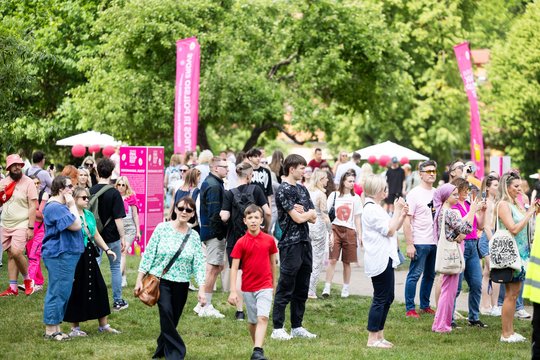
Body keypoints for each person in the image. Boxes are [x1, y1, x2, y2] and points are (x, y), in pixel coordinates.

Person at [135, 197, 206, 359]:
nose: (184, 212)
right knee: (166, 312)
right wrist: (139, 279)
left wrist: (202, 289)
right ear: (175, 209)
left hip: (182, 283)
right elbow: (149, 255)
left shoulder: (194, 236)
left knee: (172, 320)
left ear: (193, 214)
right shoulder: (162, 228)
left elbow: (199, 265)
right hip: (161, 280)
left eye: (188, 210)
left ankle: (161, 349)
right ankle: (177, 352)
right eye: (181, 208)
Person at [271, 154, 317, 340]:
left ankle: (297, 326)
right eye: (301, 168)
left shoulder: (303, 190)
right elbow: (298, 218)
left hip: (305, 241)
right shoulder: (283, 190)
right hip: (290, 243)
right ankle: (277, 328)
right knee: (286, 284)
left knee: (302, 286)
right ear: (291, 169)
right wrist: (305, 213)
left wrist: (305, 212)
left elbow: (314, 217)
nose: (304, 171)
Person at [64, 187, 120, 336]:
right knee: (77, 289)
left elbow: (95, 235)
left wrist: (107, 250)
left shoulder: (89, 214)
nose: (87, 200)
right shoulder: (69, 215)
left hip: (89, 253)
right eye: (84, 198)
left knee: (100, 288)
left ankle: (103, 325)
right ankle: (74, 328)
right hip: (76, 255)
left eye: (88, 197)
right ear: (74, 199)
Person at [220, 162, 271, 320]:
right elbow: (268, 212)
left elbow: (224, 216)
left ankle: (240, 311)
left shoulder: (229, 193)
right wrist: (265, 228)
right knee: (254, 272)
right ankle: (255, 307)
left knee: (238, 272)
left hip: (235, 239)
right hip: (254, 238)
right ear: (250, 175)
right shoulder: (256, 190)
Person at [362, 175, 408, 348]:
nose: (386, 192)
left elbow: (393, 226)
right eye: (384, 189)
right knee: (381, 298)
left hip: (385, 257)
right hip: (378, 258)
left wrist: (401, 215)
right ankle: (372, 338)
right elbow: (389, 230)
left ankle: (379, 335)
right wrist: (397, 210)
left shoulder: (376, 208)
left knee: (388, 297)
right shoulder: (371, 209)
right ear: (377, 191)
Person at [228, 205, 278, 360]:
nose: (253, 221)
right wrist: (233, 291)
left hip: (265, 286)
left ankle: (257, 350)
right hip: (248, 287)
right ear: (245, 221)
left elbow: (273, 264)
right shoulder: (241, 242)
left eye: (257, 217)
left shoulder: (269, 240)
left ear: (262, 220)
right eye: (250, 218)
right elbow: (234, 268)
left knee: (263, 317)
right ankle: (257, 349)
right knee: (252, 321)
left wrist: (274, 283)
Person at [42, 176, 83, 340]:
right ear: (61, 189)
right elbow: (76, 225)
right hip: (59, 254)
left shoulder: (60, 206)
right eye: (70, 186)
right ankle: (51, 331)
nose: (72, 189)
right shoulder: (54, 207)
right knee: (57, 291)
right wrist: (73, 205)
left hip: (65, 254)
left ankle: (56, 327)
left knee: (63, 291)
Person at [496, 172, 536, 342]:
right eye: (516, 187)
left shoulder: (515, 203)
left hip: (521, 254)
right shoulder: (503, 204)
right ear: (507, 187)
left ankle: (511, 332)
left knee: (515, 293)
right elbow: (513, 228)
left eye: (520, 186)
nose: (520, 190)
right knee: (510, 294)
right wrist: (529, 213)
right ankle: (505, 334)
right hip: (511, 254)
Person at [431, 183, 477, 333]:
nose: (457, 197)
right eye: (454, 194)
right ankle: (442, 325)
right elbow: (466, 229)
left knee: (447, 290)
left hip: (447, 253)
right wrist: (472, 211)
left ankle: (439, 323)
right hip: (452, 255)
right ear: (445, 197)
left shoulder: (441, 212)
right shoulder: (450, 213)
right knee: (448, 292)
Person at [89, 158, 128, 311]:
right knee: (115, 267)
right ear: (112, 173)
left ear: (97, 171)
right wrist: (123, 237)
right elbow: (118, 218)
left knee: (94, 267)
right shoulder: (114, 193)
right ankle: (118, 301)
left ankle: (91, 299)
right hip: (112, 236)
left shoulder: (90, 191)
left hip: (94, 235)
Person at [194, 157, 228, 318]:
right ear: (215, 168)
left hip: (209, 232)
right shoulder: (214, 186)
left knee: (215, 267)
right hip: (213, 233)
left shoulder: (212, 182)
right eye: (224, 167)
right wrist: (220, 234)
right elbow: (215, 214)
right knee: (213, 268)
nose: (227, 169)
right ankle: (205, 304)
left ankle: (201, 303)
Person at [451, 178, 487, 328]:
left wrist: (482, 212)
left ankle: (474, 317)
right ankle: (449, 316)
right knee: (456, 286)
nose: (466, 193)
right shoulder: (454, 207)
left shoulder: (467, 204)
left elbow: (480, 225)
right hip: (461, 245)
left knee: (477, 283)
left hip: (473, 244)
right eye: (464, 190)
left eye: (467, 190)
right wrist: (473, 211)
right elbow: (460, 226)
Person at [0, 154, 38, 297]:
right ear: (9, 167)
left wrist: (30, 227)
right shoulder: (3, 182)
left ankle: (28, 280)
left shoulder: (28, 182)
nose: (16, 167)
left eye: (18, 165)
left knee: (17, 252)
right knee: (10, 255)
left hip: (22, 223)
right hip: (5, 223)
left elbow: (32, 206)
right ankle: (13, 287)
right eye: (13, 165)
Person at [404, 160, 437, 318]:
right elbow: (406, 220)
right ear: (420, 174)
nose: (432, 174)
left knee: (430, 275)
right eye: (429, 171)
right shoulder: (414, 194)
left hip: (434, 241)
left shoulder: (437, 193)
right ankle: (410, 308)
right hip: (420, 241)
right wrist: (410, 244)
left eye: (434, 171)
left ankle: (425, 305)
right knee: (414, 275)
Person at [322, 170, 362, 299]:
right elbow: (326, 214)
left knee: (347, 261)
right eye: (349, 181)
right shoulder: (334, 195)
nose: (352, 184)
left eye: (353, 181)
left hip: (350, 230)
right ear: (343, 182)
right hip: (335, 229)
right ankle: (327, 286)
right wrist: (329, 232)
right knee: (332, 259)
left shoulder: (355, 198)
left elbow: (357, 218)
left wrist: (360, 235)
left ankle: (345, 287)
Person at [478, 174, 501, 316]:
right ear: (487, 187)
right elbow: (486, 226)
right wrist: (494, 241)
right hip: (488, 239)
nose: (497, 188)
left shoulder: (497, 202)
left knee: (486, 273)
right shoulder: (485, 202)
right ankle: (493, 306)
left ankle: (486, 306)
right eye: (495, 186)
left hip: (493, 236)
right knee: (495, 273)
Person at [306, 169, 331, 299]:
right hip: (318, 227)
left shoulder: (307, 190)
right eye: (325, 178)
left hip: (307, 225)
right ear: (320, 180)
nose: (327, 180)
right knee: (317, 259)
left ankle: (303, 286)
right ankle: (311, 290)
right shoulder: (321, 194)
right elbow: (325, 215)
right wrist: (330, 232)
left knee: (306, 257)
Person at [23, 175, 48, 292]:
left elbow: (41, 215)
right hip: (28, 228)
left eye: (38, 183)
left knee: (34, 255)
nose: (36, 185)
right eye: (34, 183)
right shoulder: (25, 195)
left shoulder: (44, 194)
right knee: (31, 256)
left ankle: (29, 282)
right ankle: (39, 282)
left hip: (40, 229)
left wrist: (27, 210)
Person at [115, 176, 141, 288]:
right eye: (119, 185)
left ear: (126, 186)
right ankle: (124, 278)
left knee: (123, 252)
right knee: (121, 253)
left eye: (123, 185)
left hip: (130, 227)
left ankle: (117, 278)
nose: (120, 187)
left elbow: (135, 215)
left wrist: (138, 231)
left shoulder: (131, 197)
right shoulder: (114, 197)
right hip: (118, 227)